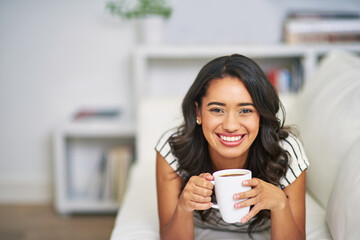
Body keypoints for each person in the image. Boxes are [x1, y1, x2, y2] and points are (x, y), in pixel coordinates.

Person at [155, 54, 309, 240]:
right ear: (198, 112)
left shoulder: (287, 152)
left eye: (245, 110)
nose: (230, 125)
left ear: (261, 115)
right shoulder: (173, 149)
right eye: (217, 110)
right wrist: (183, 207)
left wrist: (280, 205)